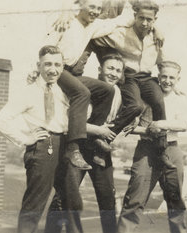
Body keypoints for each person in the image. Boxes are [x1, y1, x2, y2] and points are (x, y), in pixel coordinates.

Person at [32, 0, 135, 170]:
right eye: (92, 7)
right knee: (82, 93)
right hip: (56, 69)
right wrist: (35, 71)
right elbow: (44, 47)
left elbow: (122, 20)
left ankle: (93, 138)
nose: (95, 11)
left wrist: (156, 29)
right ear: (81, 5)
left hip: (71, 73)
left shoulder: (93, 26)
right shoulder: (65, 21)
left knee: (107, 90)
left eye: (98, 9)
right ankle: (73, 149)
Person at [44, 53, 125, 233]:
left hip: (99, 150)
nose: (114, 74)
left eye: (118, 71)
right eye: (110, 68)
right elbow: (68, 122)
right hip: (78, 147)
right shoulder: (83, 89)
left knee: (107, 199)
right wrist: (99, 130)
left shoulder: (118, 93)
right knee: (65, 197)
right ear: (99, 70)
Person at [0, 45, 70, 233]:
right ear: (39, 65)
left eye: (58, 65)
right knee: (34, 205)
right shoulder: (27, 91)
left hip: (65, 145)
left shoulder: (64, 89)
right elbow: (0, 120)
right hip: (44, 147)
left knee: (64, 200)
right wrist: (25, 139)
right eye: (48, 64)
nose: (53, 69)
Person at [92, 0, 175, 169]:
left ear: (155, 20)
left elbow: (162, 61)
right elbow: (95, 37)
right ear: (134, 16)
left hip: (146, 77)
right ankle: (103, 141)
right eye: (141, 18)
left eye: (149, 20)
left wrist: (175, 86)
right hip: (129, 77)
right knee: (135, 106)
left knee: (159, 102)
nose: (145, 23)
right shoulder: (122, 33)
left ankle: (161, 150)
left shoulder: (156, 37)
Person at [117, 61, 187, 233]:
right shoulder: (144, 94)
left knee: (176, 201)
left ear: (178, 79)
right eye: (164, 76)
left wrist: (161, 124)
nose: (167, 81)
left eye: (172, 77)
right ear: (158, 76)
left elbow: (184, 124)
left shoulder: (181, 97)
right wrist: (149, 130)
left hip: (171, 149)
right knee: (134, 201)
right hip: (146, 150)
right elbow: (129, 126)